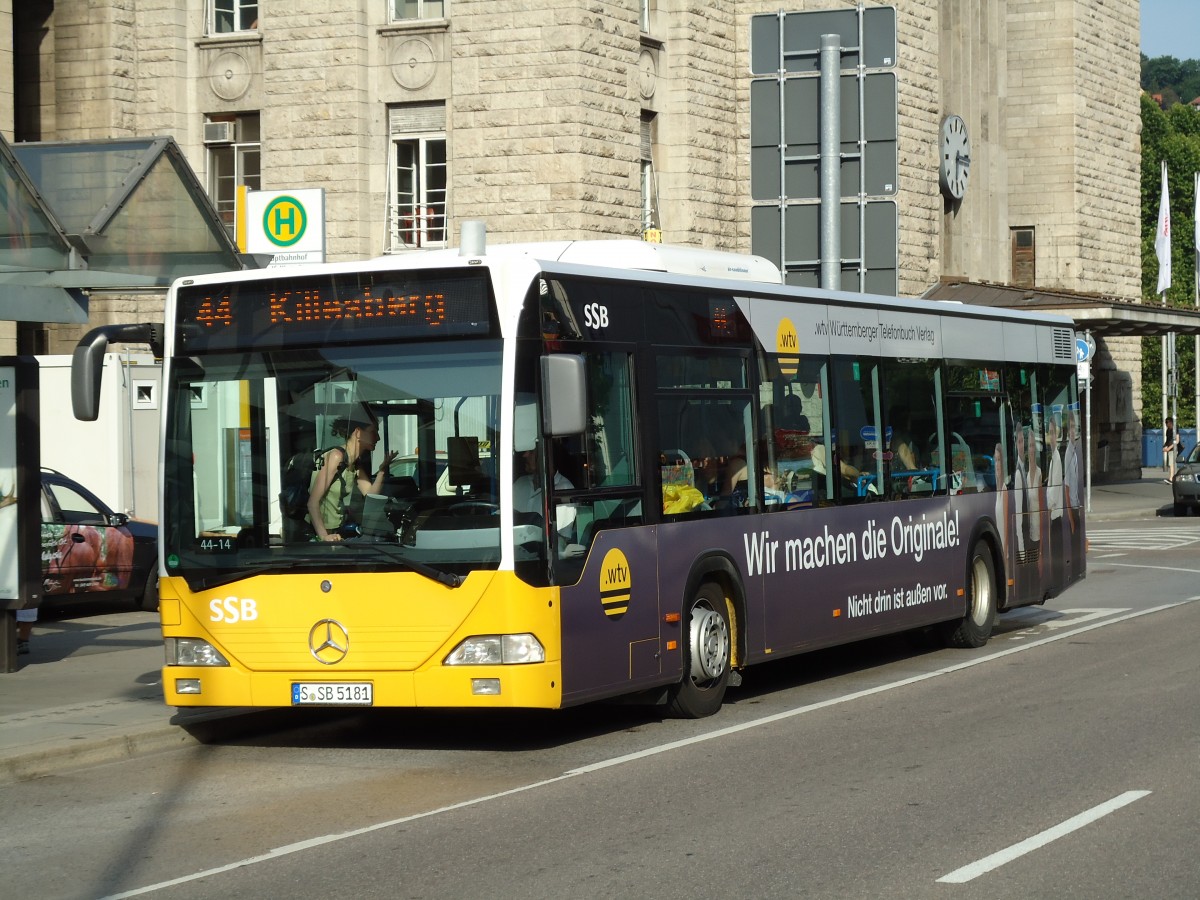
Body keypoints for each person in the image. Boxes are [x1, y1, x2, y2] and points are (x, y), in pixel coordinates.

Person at [307, 406, 397, 542]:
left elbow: (371, 495)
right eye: (373, 431)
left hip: (335, 534)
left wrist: (383, 469)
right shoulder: (336, 457)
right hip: (319, 535)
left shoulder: (354, 463)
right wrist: (324, 536)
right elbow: (312, 502)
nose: (378, 437)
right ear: (358, 433)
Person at [1163, 416, 1179, 483]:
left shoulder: (1175, 430)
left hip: (1173, 449)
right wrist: (1165, 446)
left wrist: (1169, 447)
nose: (1166, 424)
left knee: (1171, 464)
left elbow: (1177, 441)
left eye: (1167, 422)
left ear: (1171, 422)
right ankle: (1172, 478)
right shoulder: (1168, 430)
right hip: (1169, 449)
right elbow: (1167, 440)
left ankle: (1171, 479)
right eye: (1165, 422)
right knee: (1171, 464)